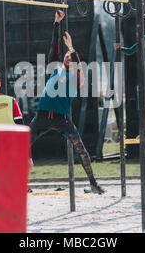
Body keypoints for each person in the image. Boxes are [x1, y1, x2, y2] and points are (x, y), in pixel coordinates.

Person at [29, 10, 104, 195]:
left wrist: (71, 47)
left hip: (62, 119)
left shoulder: (77, 77)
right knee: (22, 144)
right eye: (67, 57)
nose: (68, 58)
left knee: (82, 150)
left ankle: (94, 183)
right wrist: (57, 23)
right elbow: (53, 47)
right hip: (43, 116)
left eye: (70, 57)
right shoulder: (55, 70)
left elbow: (77, 62)